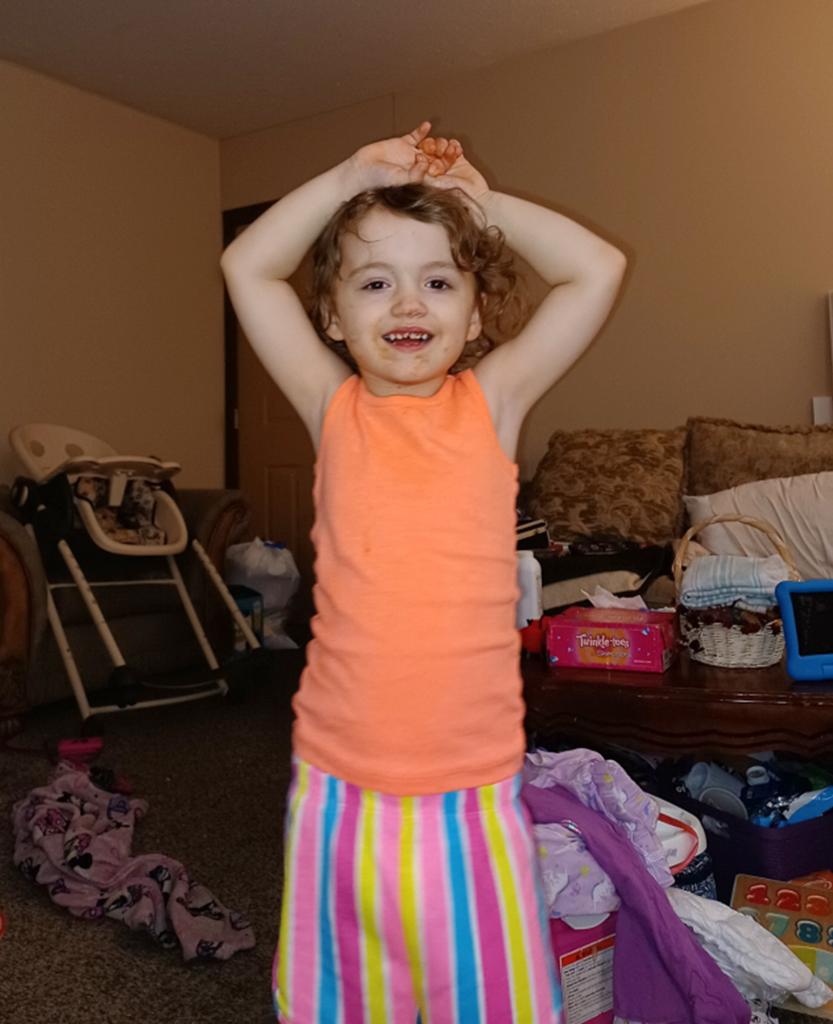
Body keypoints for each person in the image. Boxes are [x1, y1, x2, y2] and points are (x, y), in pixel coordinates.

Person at [221, 121, 626, 1024]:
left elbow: (594, 268)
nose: (408, 301)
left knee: (485, 994)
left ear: (476, 316)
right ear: (331, 317)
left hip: (470, 783)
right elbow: (248, 267)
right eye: (374, 282)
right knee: (345, 993)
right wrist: (346, 177)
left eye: (438, 279)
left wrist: (475, 207)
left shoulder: (492, 403)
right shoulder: (333, 405)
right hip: (341, 776)